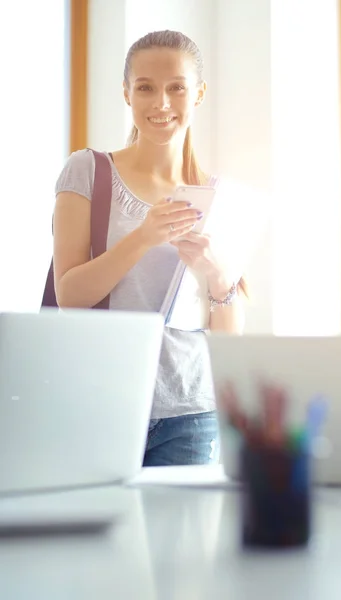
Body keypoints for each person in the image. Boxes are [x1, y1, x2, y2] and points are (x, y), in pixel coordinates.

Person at [52, 29, 247, 467]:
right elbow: (70, 295)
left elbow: (229, 339)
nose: (161, 103)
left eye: (176, 88)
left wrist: (219, 278)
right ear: (126, 93)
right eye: (146, 88)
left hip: (191, 412)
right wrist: (143, 236)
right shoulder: (87, 171)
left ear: (198, 94)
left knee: (180, 537)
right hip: (102, 401)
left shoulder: (218, 195)